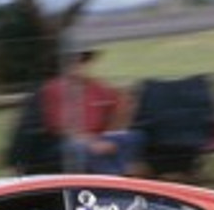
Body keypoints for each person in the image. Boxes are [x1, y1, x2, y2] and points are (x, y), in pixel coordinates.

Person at [37, 47, 145, 176]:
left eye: (84, 61)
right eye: (77, 62)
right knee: (81, 148)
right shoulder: (54, 89)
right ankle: (111, 178)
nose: (81, 66)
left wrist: (123, 105)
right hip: (68, 141)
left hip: (97, 136)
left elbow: (117, 107)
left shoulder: (96, 86)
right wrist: (93, 143)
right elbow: (63, 128)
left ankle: (124, 172)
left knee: (132, 137)